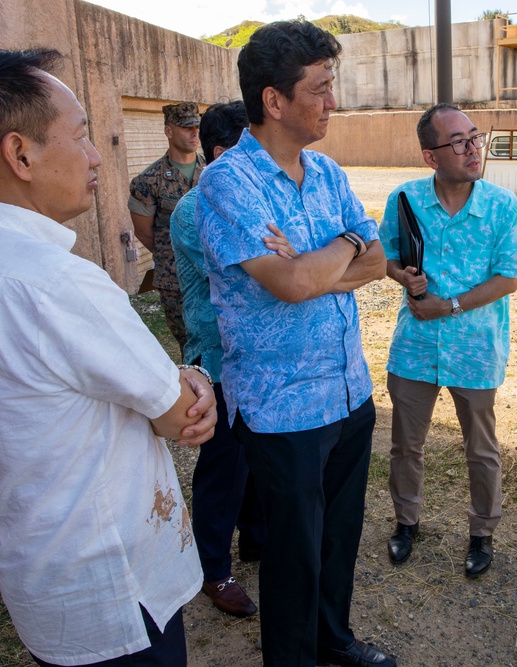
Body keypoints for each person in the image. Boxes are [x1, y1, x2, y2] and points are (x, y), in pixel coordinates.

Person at [0, 48, 217, 667]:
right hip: (112, 582)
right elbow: (183, 415)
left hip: (45, 567)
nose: (94, 155)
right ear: (19, 154)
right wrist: (191, 375)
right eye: (81, 135)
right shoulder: (55, 283)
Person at [196, 20, 395, 667]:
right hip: (283, 409)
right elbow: (290, 282)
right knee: (292, 553)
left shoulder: (329, 172)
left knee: (338, 539)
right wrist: (343, 246)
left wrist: (323, 259)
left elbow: (379, 259)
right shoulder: (229, 184)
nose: (332, 101)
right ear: (275, 100)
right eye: (321, 88)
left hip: (347, 390)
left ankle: (332, 639)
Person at [377, 103, 517, 578]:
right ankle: (406, 523)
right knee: (405, 445)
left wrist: (450, 304)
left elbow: (508, 279)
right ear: (431, 156)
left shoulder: (502, 205)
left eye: (474, 137)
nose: (472, 148)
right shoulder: (404, 199)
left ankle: (482, 533)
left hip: (476, 350)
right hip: (415, 349)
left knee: (481, 449)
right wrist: (402, 276)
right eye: (459, 141)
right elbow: (385, 256)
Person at [169, 100, 273, 618]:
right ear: (221, 152)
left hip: (250, 351)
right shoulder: (195, 209)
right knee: (223, 465)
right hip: (217, 356)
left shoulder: (241, 199)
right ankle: (213, 569)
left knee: (254, 452)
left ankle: (254, 539)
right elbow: (267, 267)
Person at [128, 101, 205, 352]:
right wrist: (174, 254)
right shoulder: (149, 181)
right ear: (169, 131)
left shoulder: (213, 170)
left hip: (213, 274)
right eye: (186, 128)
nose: (194, 133)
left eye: (196, 126)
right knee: (189, 344)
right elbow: (143, 231)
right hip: (176, 281)